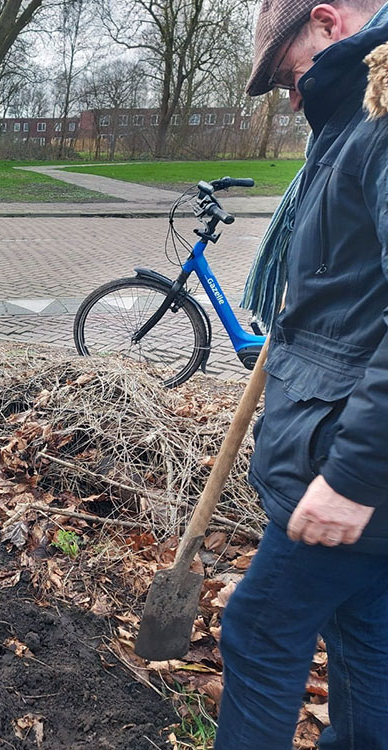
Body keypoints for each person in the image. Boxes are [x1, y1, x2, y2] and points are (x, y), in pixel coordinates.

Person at [216, 1, 388, 747]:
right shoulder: (351, 125)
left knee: (259, 631)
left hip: (352, 455)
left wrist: (354, 476)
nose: (292, 99)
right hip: (350, 446)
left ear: (327, 23)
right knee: (369, 636)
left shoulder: (379, 123)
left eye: (291, 75)